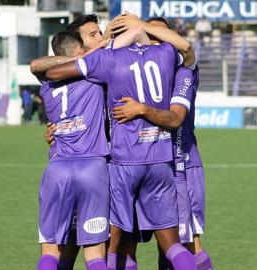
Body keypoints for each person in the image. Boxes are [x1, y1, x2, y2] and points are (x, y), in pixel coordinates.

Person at [44, 21, 199, 269]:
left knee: (111, 247)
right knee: (171, 245)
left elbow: (49, 71)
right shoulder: (167, 55)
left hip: (121, 163)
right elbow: (186, 47)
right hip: (161, 161)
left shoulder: (106, 60)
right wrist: (140, 26)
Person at [112, 17, 213, 270]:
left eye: (160, 34)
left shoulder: (183, 71)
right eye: (150, 33)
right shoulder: (131, 68)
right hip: (138, 164)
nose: (155, 39)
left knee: (185, 245)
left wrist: (142, 109)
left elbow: (176, 118)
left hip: (180, 166)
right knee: (127, 242)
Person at [35, 30, 111, 270]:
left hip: (57, 168)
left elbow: (39, 66)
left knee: (50, 250)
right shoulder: (93, 75)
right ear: (79, 50)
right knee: (95, 253)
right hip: (93, 167)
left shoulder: (46, 85)